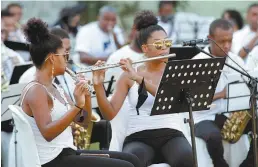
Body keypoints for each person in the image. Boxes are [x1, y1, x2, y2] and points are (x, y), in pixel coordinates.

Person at [20, 17, 141, 167]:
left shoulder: (55, 87)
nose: (67, 59)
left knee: (132, 160)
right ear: (52, 59)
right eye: (64, 55)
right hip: (52, 161)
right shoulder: (37, 90)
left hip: (67, 153)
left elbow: (83, 122)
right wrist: (76, 106)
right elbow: (48, 133)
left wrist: (87, 96)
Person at [93, 10, 193, 167]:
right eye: (159, 45)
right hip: (138, 135)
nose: (165, 49)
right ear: (146, 48)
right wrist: (98, 85)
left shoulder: (174, 71)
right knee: (132, 161)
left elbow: (168, 96)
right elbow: (109, 113)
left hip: (171, 133)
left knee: (187, 158)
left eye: (167, 43)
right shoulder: (129, 75)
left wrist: (139, 78)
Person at [192, 19, 246, 167]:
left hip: (228, 114)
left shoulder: (236, 60)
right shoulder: (197, 63)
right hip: (202, 117)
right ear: (210, 39)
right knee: (213, 136)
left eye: (230, 40)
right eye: (222, 41)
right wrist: (221, 94)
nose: (227, 46)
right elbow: (190, 101)